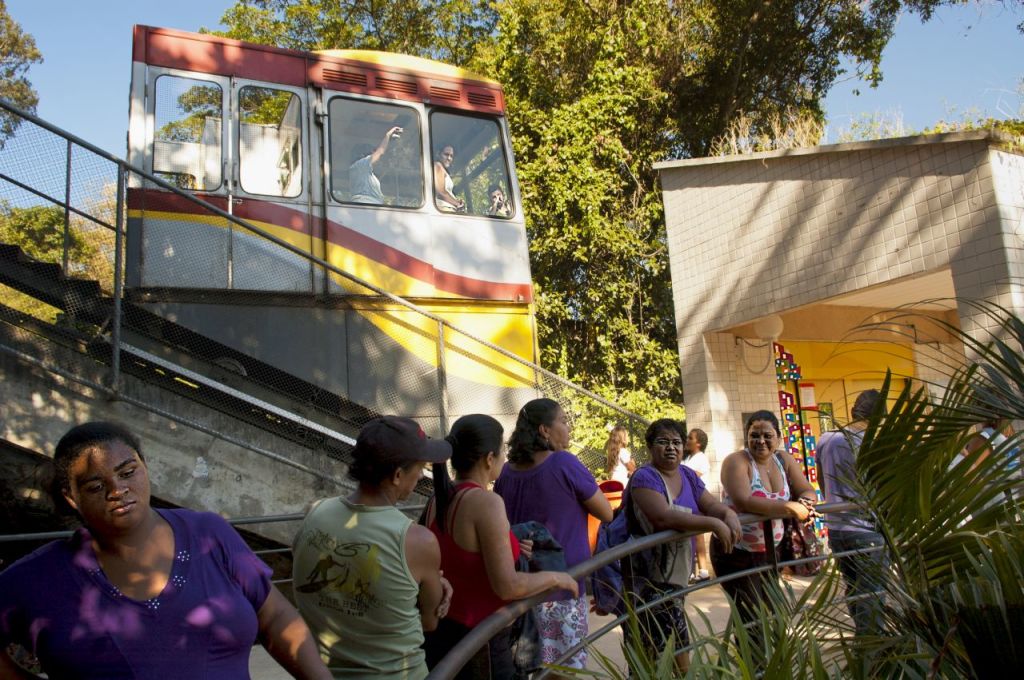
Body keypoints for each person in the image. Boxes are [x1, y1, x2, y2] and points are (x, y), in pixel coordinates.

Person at [0, 421, 330, 680]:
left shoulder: (209, 534)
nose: (119, 490)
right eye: (96, 486)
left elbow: (274, 615)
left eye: (128, 472)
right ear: (71, 497)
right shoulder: (42, 578)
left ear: (145, 466)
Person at [292, 416, 453, 679]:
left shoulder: (315, 513)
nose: (421, 475)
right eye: (420, 468)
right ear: (398, 475)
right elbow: (429, 621)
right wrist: (432, 582)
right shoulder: (417, 541)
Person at [421, 414, 578, 679]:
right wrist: (557, 577)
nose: (505, 458)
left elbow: (459, 554)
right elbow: (507, 586)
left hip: (443, 635)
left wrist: (514, 545)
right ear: (489, 458)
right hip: (480, 643)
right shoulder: (486, 503)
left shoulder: (439, 497)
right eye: (503, 451)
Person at [494, 399, 613, 672]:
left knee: (528, 668)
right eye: (563, 421)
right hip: (563, 589)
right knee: (564, 670)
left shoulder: (506, 473)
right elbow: (606, 513)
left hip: (522, 589)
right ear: (544, 430)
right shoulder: (563, 463)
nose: (568, 428)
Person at [624, 419, 741, 672]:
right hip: (647, 579)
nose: (671, 448)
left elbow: (709, 503)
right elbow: (662, 516)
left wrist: (726, 514)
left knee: (668, 644)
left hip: (675, 576)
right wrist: (713, 524)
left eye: (676, 442)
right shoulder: (645, 477)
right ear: (649, 446)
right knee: (661, 647)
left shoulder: (687, 474)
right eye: (663, 442)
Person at [712, 410, 818, 625]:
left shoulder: (784, 459)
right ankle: (756, 658)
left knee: (770, 610)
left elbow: (807, 489)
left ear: (778, 437)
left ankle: (770, 657)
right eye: (754, 435)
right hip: (737, 552)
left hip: (771, 550)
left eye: (767, 436)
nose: (760, 441)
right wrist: (790, 508)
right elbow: (745, 501)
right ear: (747, 437)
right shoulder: (737, 461)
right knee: (752, 616)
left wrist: (806, 502)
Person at [818, 390, 888, 637]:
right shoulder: (870, 443)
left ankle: (864, 642)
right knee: (872, 592)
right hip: (866, 529)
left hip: (837, 529)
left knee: (854, 588)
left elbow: (822, 482)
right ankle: (873, 647)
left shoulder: (826, 439)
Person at [683, 427, 712, 581]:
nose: (687, 440)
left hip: (696, 500)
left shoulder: (701, 458)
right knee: (691, 536)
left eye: (690, 438)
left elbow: (691, 477)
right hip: (688, 500)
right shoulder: (687, 459)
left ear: (699, 443)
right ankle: (692, 571)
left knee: (698, 535)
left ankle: (703, 571)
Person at [349, 126, 403, 204]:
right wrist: (387, 136)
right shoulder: (360, 165)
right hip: (367, 204)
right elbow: (380, 152)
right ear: (364, 155)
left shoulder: (362, 172)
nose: (377, 158)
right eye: (373, 152)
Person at [433, 145, 465, 212]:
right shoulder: (437, 166)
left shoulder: (444, 170)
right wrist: (456, 203)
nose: (449, 158)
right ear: (438, 154)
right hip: (443, 209)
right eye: (446, 154)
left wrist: (456, 200)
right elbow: (440, 192)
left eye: (451, 156)